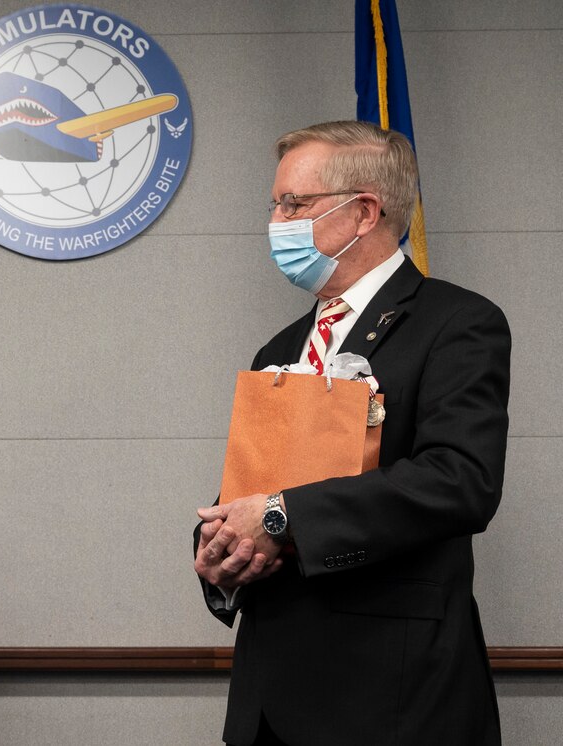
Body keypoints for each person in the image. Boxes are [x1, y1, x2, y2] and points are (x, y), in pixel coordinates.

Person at [193, 121, 510, 746]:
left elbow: (461, 481)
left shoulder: (457, 323)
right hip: (268, 702)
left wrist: (282, 518)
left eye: (294, 204)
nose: (277, 221)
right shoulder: (278, 348)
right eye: (275, 204)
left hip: (390, 698)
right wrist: (221, 554)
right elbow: (255, 495)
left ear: (364, 211)